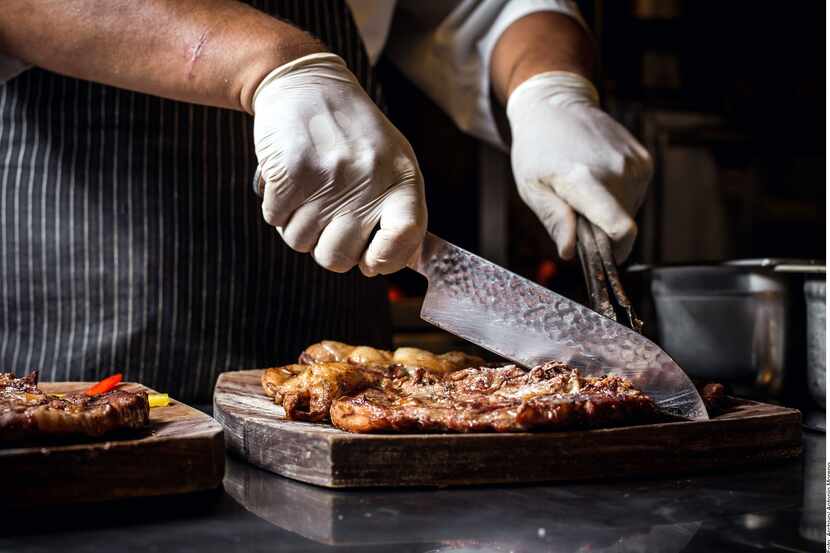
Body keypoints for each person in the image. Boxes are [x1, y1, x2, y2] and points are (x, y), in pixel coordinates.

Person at [0, 0, 652, 402]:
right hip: (82, 315)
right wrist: (274, 65)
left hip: (338, 368)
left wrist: (549, 89)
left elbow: (488, 7)